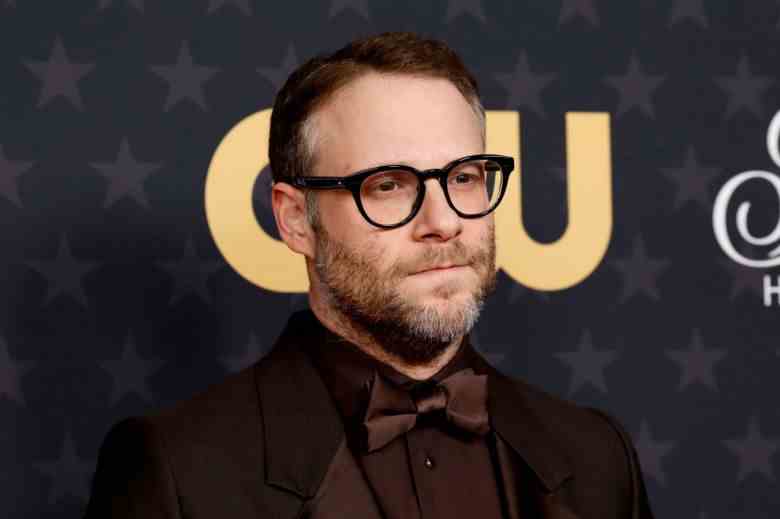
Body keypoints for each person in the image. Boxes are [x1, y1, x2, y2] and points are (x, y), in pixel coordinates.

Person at [84, 32, 654, 518]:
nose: (444, 222)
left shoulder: (595, 457)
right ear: (294, 219)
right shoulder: (181, 470)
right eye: (388, 186)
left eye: (464, 177)